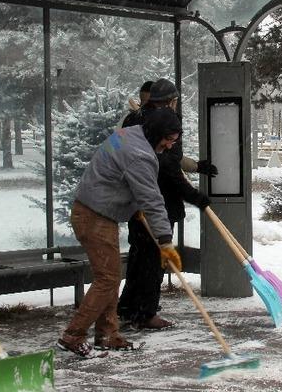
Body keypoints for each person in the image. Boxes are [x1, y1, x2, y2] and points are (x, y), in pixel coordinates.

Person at [57, 107, 183, 357]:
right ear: (157, 133)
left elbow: (114, 173)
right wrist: (166, 241)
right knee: (108, 279)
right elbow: (152, 199)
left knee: (110, 276)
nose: (169, 146)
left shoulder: (127, 134)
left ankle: (108, 334)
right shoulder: (140, 155)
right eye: (168, 140)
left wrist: (130, 204)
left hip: (96, 210)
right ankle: (73, 335)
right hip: (95, 217)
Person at [117, 78, 216, 330]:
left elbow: (171, 158)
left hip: (135, 200)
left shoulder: (133, 119)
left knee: (139, 255)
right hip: (157, 199)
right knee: (153, 258)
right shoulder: (165, 121)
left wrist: (196, 167)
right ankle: (146, 312)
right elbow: (168, 166)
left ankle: (128, 307)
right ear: (171, 101)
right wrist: (193, 195)